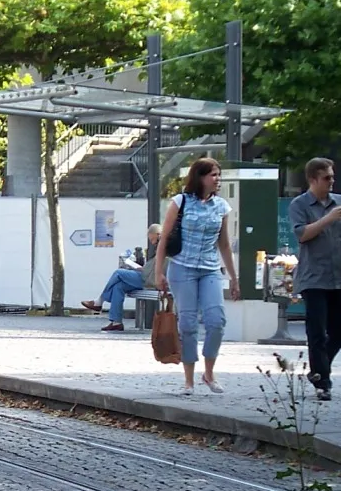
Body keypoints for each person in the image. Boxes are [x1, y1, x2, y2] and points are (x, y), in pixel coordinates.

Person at [153, 158, 239, 396]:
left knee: (216, 321)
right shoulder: (180, 202)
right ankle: (188, 380)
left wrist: (233, 277)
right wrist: (159, 272)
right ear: (200, 177)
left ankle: (209, 373)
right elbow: (164, 240)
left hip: (210, 269)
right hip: (182, 268)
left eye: (218, 175)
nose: (217, 179)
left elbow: (224, 244)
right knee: (188, 323)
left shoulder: (221, 206)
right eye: (213, 175)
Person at [287, 158, 341, 402]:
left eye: (332, 176)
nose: (332, 181)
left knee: (339, 330)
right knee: (317, 331)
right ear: (312, 179)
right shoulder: (299, 205)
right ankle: (323, 383)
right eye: (326, 178)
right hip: (313, 277)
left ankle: (319, 369)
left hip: (338, 277)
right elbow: (303, 235)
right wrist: (328, 219)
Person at [83, 224, 162, 331]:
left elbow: (158, 266)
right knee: (118, 287)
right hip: (147, 275)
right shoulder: (160, 245)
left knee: (118, 273)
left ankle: (99, 301)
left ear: (158, 234)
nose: (152, 242)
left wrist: (143, 269)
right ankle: (116, 322)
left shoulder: (163, 244)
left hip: (149, 279)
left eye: (152, 238)